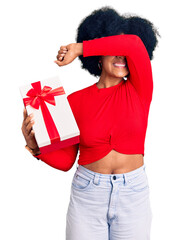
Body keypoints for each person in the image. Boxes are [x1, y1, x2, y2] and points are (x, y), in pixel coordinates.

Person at [21, 6, 160, 240]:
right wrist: (35, 146)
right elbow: (66, 161)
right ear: (99, 56)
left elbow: (134, 44)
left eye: (123, 51)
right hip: (87, 195)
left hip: (133, 195)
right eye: (113, 50)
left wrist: (79, 48)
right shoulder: (73, 101)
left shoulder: (140, 89)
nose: (121, 57)